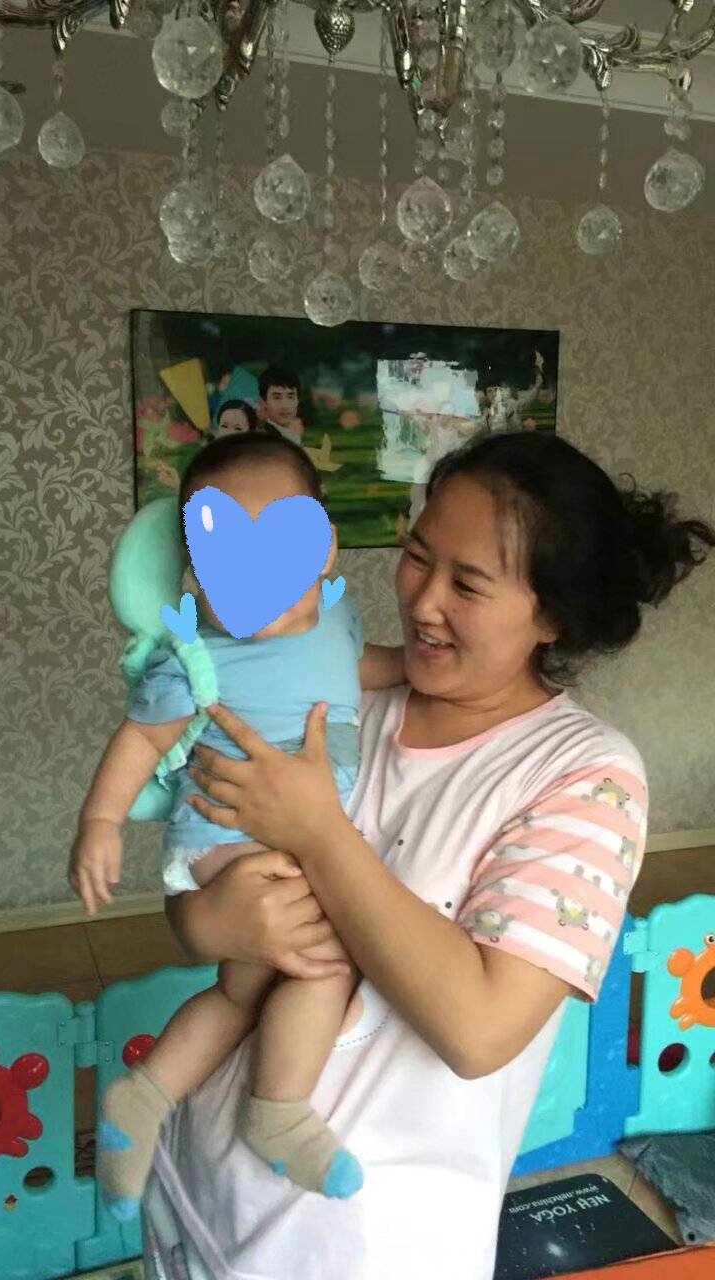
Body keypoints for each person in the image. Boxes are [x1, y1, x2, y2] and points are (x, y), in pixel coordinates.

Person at [141, 429, 714, 1280]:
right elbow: (201, 862)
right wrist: (204, 922)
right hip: (195, 1190)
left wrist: (319, 833)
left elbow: (479, 1029)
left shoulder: (584, 775)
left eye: (468, 583)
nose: (422, 600)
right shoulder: (339, 700)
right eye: (416, 556)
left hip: (353, 1249)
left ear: (551, 615)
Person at [69, 433, 405, 1221]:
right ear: (195, 574)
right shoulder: (198, 657)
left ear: (323, 550)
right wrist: (101, 820)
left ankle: (144, 1097)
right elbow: (141, 738)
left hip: (287, 841)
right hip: (228, 841)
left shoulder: (336, 619)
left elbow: (359, 670)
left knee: (243, 989)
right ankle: (277, 1111)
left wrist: (419, 669)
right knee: (327, 965)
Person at [258, 364, 305, 443]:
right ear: (264, 402)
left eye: (290, 397)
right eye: (277, 398)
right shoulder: (261, 438)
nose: (285, 406)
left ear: (298, 400)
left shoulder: (292, 434)